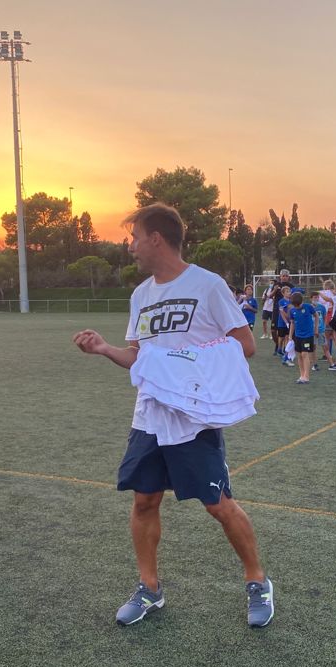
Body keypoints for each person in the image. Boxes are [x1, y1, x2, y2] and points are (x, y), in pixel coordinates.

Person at [72, 203, 274, 629]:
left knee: (218, 504)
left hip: (194, 418)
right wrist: (105, 349)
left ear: (156, 238)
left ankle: (257, 581)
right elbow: (140, 357)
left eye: (134, 238)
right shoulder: (140, 296)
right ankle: (150, 588)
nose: (131, 247)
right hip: (148, 416)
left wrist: (186, 364)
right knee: (144, 500)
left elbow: (245, 345)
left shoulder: (208, 285)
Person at [288, 291, 317, 383]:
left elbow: (316, 316)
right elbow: (292, 323)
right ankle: (302, 375)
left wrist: (316, 329)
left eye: (298, 305)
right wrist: (290, 336)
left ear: (302, 301)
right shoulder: (292, 311)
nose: (297, 307)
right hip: (297, 336)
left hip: (308, 335)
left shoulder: (308, 307)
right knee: (299, 355)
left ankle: (306, 376)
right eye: (295, 306)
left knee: (304, 354)